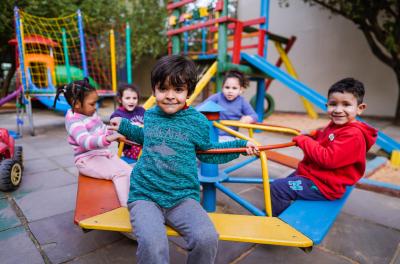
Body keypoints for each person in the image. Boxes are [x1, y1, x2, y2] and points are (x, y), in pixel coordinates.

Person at [109, 55, 259, 264]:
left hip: (182, 197)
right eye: (163, 89)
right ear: (154, 90)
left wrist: (240, 146)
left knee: (206, 238)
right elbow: (148, 138)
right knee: (153, 245)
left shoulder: (197, 121)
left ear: (189, 91)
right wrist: (124, 127)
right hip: (146, 194)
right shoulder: (151, 115)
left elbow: (208, 151)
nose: (170, 96)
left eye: (178, 90)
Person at [270, 77, 378, 216]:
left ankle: (279, 224)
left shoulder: (353, 134)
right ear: (327, 105)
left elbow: (327, 159)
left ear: (360, 108)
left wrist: (303, 140)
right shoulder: (337, 125)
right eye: (333, 104)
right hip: (317, 176)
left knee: (278, 188)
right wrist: (314, 134)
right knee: (284, 182)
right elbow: (327, 137)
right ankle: (280, 210)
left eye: (346, 104)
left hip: (326, 186)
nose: (338, 110)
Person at [54, 78, 132, 207]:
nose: (95, 107)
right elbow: (85, 142)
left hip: (102, 154)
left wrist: (113, 133)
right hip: (86, 159)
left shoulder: (90, 113)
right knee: (120, 175)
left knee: (130, 171)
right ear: (76, 103)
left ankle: (138, 197)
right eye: (92, 104)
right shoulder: (73, 120)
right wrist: (108, 139)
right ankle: (128, 207)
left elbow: (101, 128)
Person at [203, 70, 258, 141]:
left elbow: (254, 115)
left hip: (230, 135)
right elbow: (202, 107)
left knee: (245, 144)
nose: (230, 91)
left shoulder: (242, 101)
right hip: (213, 133)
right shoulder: (217, 97)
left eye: (234, 88)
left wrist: (248, 118)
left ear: (241, 90)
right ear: (222, 88)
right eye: (227, 87)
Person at [110, 83, 145, 160]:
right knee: (148, 153)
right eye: (128, 98)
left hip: (143, 142)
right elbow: (115, 132)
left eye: (134, 98)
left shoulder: (141, 110)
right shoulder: (117, 115)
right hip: (129, 146)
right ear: (120, 99)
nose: (131, 101)